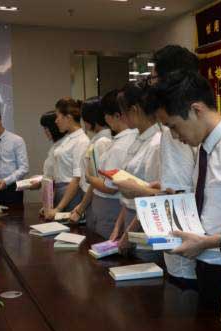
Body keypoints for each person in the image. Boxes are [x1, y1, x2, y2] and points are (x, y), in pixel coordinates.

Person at [153, 70, 221, 308]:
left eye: (174, 126)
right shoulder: (205, 148)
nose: (175, 136)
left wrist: (208, 242)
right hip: (205, 263)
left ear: (196, 110)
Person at [150, 45, 201, 289]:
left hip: (185, 247)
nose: (152, 85)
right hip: (190, 246)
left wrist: (141, 191)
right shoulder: (186, 119)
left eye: (154, 78)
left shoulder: (176, 128)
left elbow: (178, 192)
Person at [110, 83, 162, 254]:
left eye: (123, 113)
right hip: (130, 215)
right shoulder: (137, 138)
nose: (122, 118)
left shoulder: (156, 143)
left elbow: (152, 198)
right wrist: (119, 225)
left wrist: (128, 233)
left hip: (144, 220)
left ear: (134, 110)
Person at [86, 89, 138, 239]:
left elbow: (110, 187)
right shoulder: (122, 140)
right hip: (113, 205)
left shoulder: (121, 145)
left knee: (106, 242)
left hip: (111, 205)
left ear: (117, 115)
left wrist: (89, 178)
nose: (105, 119)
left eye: (106, 115)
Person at [41, 98, 90, 221]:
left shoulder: (81, 141)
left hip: (71, 195)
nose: (56, 121)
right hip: (61, 193)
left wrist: (58, 208)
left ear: (68, 117)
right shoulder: (68, 138)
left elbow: (77, 179)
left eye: (58, 117)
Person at [69, 97, 113, 228]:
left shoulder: (102, 142)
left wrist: (80, 208)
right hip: (91, 196)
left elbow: (96, 181)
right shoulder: (97, 140)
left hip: (96, 197)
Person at [39, 111, 67, 180]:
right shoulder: (55, 146)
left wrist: (41, 181)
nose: (45, 131)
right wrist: (41, 179)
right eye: (44, 128)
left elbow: (59, 178)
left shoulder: (64, 146)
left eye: (46, 128)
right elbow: (50, 174)